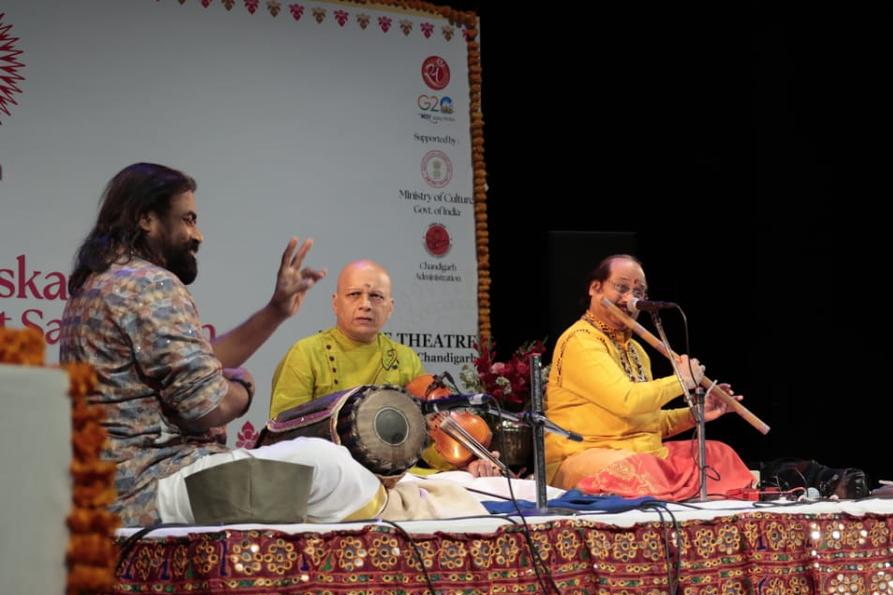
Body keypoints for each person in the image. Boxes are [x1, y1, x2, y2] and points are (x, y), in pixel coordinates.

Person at [59, 163, 482, 526]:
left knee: (321, 464)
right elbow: (207, 406)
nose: (198, 234)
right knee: (334, 466)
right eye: (187, 219)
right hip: (155, 487)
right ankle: (415, 515)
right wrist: (242, 388)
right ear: (146, 219)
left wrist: (277, 309)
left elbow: (198, 363)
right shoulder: (150, 284)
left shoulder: (96, 285)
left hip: (112, 489)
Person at [544, 254, 755, 498]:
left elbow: (649, 422)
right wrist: (682, 381)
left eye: (639, 292)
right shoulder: (580, 341)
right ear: (595, 288)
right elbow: (628, 402)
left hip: (644, 455)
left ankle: (676, 492)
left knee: (718, 454)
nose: (630, 299)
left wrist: (695, 414)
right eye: (621, 287)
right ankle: (674, 492)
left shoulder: (637, 351)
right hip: (584, 457)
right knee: (638, 469)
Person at [268, 258, 503, 477]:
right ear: (335, 303)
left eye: (376, 296)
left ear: (390, 308)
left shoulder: (404, 358)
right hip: (329, 476)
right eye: (354, 294)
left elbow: (429, 441)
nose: (365, 305)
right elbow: (283, 436)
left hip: (397, 477)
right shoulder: (306, 354)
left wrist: (466, 463)